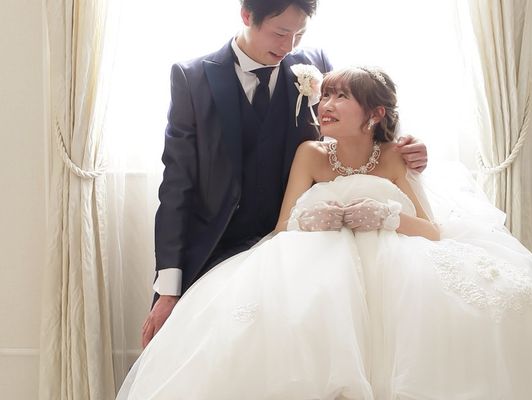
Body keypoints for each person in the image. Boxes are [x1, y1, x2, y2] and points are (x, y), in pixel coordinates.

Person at [118, 66, 532, 399]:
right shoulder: (310, 153)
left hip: (394, 268)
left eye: (340, 97)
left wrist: (387, 217)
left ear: (375, 113)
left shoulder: (395, 157)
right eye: (324, 96)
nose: (325, 105)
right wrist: (310, 220)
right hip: (319, 265)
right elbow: (283, 226)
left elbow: (431, 230)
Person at [143, 0, 428, 348]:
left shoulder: (314, 64)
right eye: (280, 33)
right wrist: (168, 290)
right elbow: (177, 185)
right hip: (218, 246)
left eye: (299, 34)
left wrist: (405, 147)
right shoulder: (192, 78)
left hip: (301, 248)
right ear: (247, 16)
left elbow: (359, 121)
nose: (289, 46)